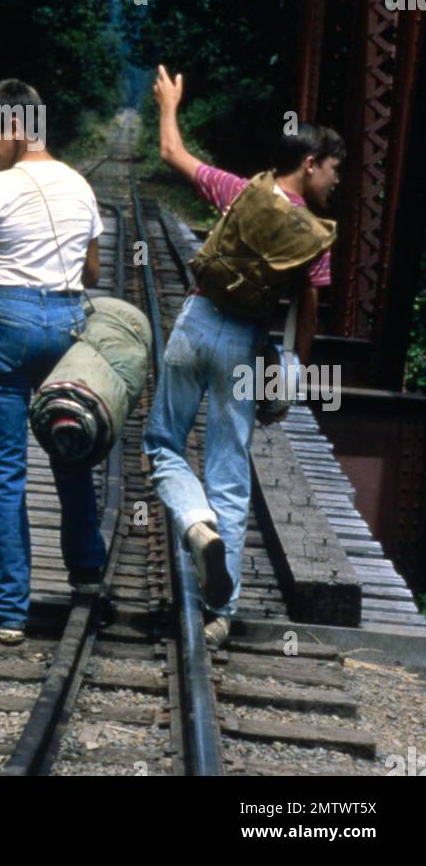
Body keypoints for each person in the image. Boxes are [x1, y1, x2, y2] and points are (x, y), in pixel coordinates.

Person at [143, 65, 344, 648]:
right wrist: (288, 379)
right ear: (310, 164)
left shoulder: (240, 191)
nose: (336, 183)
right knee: (229, 474)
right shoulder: (314, 235)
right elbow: (307, 313)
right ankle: (221, 612)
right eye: (333, 170)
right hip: (244, 346)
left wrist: (169, 103)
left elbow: (171, 153)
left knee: (162, 444)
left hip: (196, 322)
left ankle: (193, 524)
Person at [0, 79, 106, 644]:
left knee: (3, 470)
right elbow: (91, 274)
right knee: (72, 452)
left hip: (7, 330)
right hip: (67, 327)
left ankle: (10, 611)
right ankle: (87, 576)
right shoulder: (81, 185)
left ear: (15, 127)